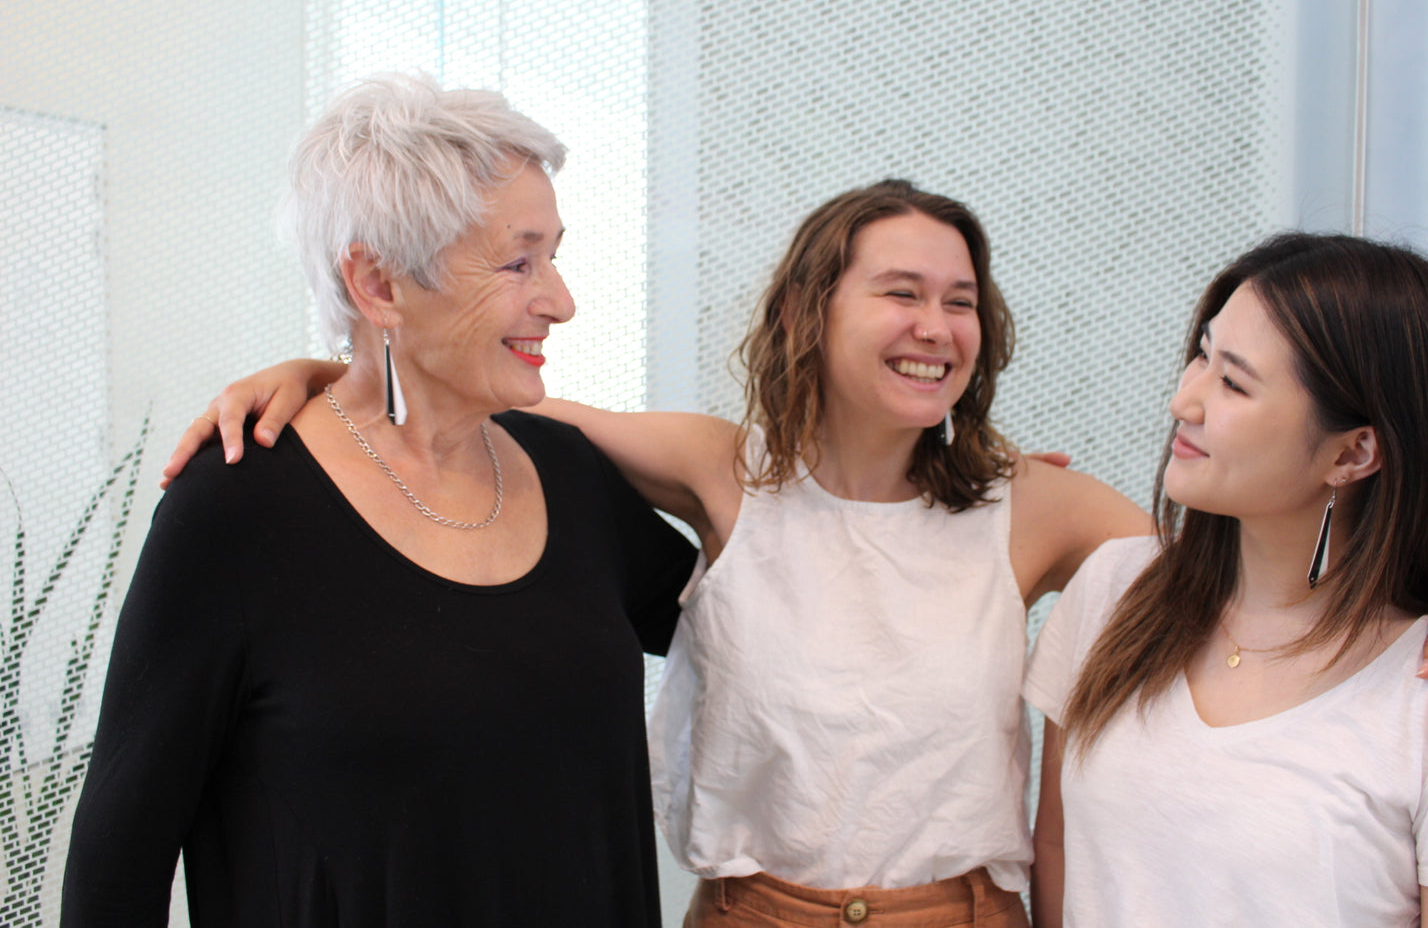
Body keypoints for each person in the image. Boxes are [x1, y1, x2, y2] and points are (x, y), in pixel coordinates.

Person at [167, 178, 1150, 926]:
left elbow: (1206, 577)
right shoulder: (723, 471)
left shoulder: (1031, 507)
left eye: (960, 301)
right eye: (902, 292)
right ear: (807, 313)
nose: (935, 327)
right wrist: (324, 372)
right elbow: (475, 394)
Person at [61, 74, 697, 927]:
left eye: (554, 255)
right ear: (379, 285)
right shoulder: (237, 507)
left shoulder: (571, 475)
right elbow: (115, 871)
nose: (561, 301)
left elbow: (746, 623)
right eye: (518, 262)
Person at [1025, 233, 1428, 927]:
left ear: (1353, 453)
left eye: (1233, 383)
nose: (1183, 401)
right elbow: (1056, 846)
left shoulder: (1424, 697)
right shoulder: (1114, 590)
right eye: (1202, 354)